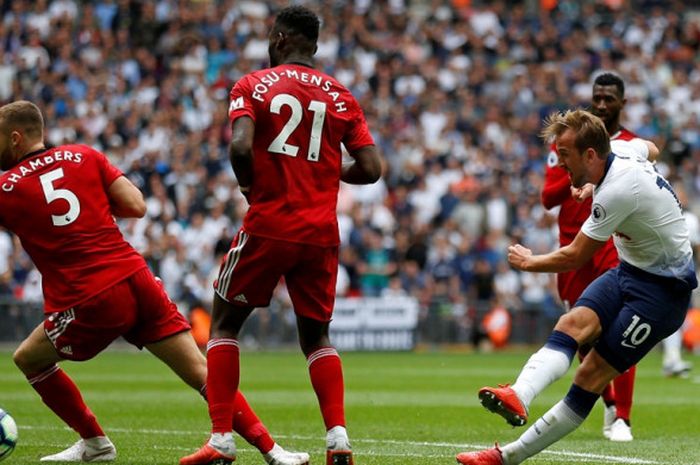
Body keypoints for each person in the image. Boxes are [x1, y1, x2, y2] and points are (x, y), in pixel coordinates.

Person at [2, 100, 309, 465]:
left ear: (16, 138)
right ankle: (274, 451)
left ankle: (95, 442)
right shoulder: (83, 155)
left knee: (28, 359)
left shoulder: (6, 187)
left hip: (89, 295)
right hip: (137, 278)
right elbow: (137, 206)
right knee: (201, 372)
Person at [179, 6, 381, 465]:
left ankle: (221, 439)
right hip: (320, 233)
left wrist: (251, 189)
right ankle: (338, 440)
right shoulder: (341, 95)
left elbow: (238, 145)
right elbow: (371, 169)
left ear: (281, 38)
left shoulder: (251, 85)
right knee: (317, 338)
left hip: (271, 222)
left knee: (225, 325)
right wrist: (330, 169)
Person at [456, 109, 696, 465]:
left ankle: (506, 458)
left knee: (591, 373)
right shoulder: (622, 151)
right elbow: (652, 149)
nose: (559, 162)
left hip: (663, 293)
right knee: (570, 326)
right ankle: (518, 394)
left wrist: (528, 261)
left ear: (589, 155)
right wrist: (592, 182)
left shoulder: (616, 190)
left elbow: (574, 256)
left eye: (565, 153)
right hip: (631, 270)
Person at [537, 72, 654, 441]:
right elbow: (547, 197)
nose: (602, 104)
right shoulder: (567, 142)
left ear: (623, 102)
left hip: (613, 243)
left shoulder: (632, 145)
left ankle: (623, 416)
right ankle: (607, 402)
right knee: (582, 333)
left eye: (609, 98)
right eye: (597, 97)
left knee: (623, 323)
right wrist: (580, 176)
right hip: (573, 244)